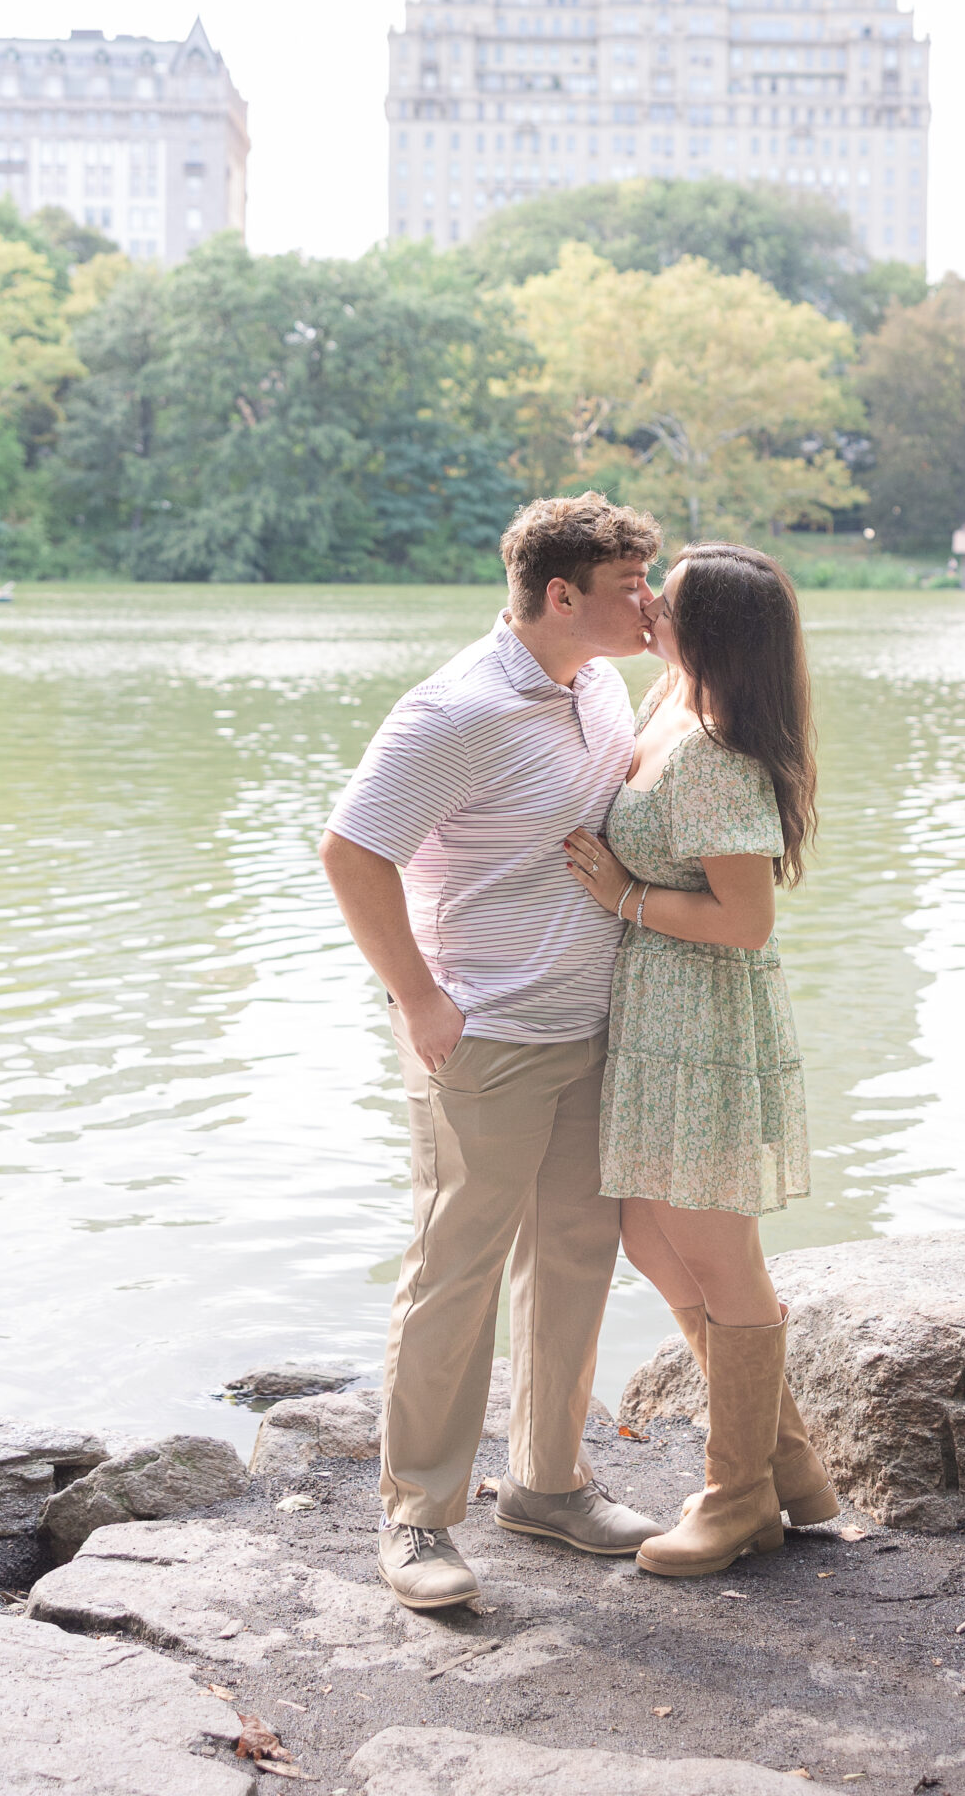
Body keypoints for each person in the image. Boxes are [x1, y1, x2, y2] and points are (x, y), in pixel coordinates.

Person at [319, 492, 666, 1612]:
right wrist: (418, 997)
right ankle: (417, 1515)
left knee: (573, 1256)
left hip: (591, 1023)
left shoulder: (599, 681)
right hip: (486, 1035)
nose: (648, 602)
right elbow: (351, 851)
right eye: (629, 588)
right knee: (454, 1270)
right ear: (562, 595)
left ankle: (548, 1485)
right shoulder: (452, 712)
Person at [563, 541, 837, 1579]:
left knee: (720, 1256)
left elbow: (748, 920)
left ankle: (738, 1501)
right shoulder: (669, 694)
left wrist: (622, 897)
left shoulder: (720, 752)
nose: (646, 604)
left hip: (706, 1019)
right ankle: (791, 1469)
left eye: (664, 599)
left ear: (708, 632)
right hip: (656, 1012)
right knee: (649, 1235)